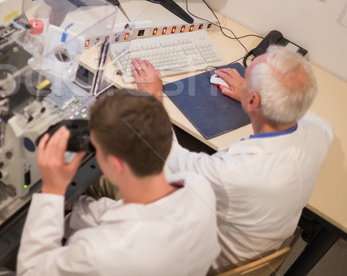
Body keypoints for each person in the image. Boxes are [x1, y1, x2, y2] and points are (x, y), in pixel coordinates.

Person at [131, 46, 334, 273]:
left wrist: (152, 96)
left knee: (108, 175)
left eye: (245, 79)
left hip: (196, 261)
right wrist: (249, 94)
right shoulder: (320, 134)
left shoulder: (231, 171)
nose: (241, 81)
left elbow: (167, 157)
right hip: (259, 251)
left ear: (253, 101)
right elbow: (313, 115)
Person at [16, 89, 220, 276]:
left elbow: (30, 270)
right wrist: (73, 209)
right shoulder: (199, 186)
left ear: (115, 165)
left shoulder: (101, 254)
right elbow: (124, 215)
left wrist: (53, 191)